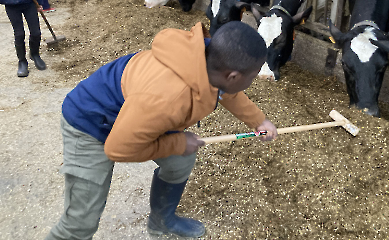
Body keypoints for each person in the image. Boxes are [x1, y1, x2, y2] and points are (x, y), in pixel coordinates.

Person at [45, 21, 278, 239]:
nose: (254, 79)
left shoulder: (206, 60)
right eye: (253, 75)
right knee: (81, 220)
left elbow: (226, 91)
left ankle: (161, 221)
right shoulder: (168, 98)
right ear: (233, 75)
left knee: (180, 161)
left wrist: (259, 121)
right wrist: (178, 143)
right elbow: (118, 149)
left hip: (138, 113)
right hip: (91, 123)